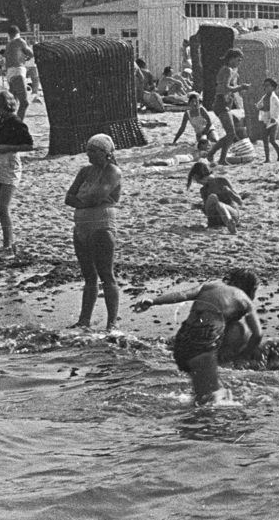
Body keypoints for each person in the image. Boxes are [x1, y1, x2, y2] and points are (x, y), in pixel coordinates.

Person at [135, 268, 262, 405]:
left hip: (183, 339)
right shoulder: (244, 300)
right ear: (252, 289)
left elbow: (183, 294)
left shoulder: (210, 286)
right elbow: (258, 334)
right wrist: (242, 357)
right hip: (205, 339)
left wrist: (153, 301)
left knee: (202, 395)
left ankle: (193, 422)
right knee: (216, 394)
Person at [65, 133, 123, 330]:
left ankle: (112, 323)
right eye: (88, 149)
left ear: (106, 153)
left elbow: (97, 197)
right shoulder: (85, 171)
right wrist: (83, 200)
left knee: (106, 274)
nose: (89, 154)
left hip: (102, 224)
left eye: (94, 150)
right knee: (89, 276)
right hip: (82, 226)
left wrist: (81, 200)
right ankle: (84, 320)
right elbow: (68, 197)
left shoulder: (113, 171)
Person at [0, 90, 36, 258]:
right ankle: (8, 243)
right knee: (0, 206)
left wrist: (7, 148)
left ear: (4, 106)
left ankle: (8, 246)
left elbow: (29, 145)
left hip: (9, 162)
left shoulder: (16, 122)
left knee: (3, 205)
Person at [207, 48, 249, 166]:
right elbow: (224, 89)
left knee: (231, 134)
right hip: (221, 103)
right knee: (231, 133)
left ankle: (219, 157)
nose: (238, 63)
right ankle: (214, 154)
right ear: (231, 59)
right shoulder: (227, 70)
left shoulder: (230, 70)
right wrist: (240, 88)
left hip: (225, 103)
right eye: (237, 60)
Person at [187, 159, 243, 232]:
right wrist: (201, 207)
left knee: (219, 204)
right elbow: (208, 212)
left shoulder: (222, 181)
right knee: (213, 198)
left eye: (197, 179)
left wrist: (230, 192)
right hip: (217, 219)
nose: (197, 182)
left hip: (232, 214)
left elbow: (240, 201)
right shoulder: (204, 190)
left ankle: (230, 223)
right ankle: (229, 224)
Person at [3, 25, 34, 117]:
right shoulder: (20, 41)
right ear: (18, 33)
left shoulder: (8, 44)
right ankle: (18, 125)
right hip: (18, 70)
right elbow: (31, 53)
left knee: (12, 103)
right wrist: (27, 58)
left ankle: (9, 124)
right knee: (24, 103)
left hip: (10, 72)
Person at [255, 77, 279, 162]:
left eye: (267, 85)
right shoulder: (264, 97)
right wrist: (259, 107)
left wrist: (275, 118)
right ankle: (267, 158)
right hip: (265, 119)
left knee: (272, 140)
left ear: (273, 87)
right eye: (264, 86)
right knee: (265, 140)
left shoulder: (274, 98)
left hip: (273, 120)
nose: (265, 87)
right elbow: (260, 106)